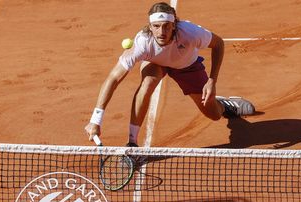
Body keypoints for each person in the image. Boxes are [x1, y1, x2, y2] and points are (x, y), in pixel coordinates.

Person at [85, 2, 255, 146]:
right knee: (147, 84)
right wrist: (96, 119)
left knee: (214, 115)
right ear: (150, 27)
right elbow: (114, 77)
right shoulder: (142, 43)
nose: (161, 32)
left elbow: (218, 44)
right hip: (156, 64)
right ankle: (132, 143)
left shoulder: (190, 33)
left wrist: (212, 81)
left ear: (174, 25)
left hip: (187, 67)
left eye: (166, 26)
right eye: (156, 26)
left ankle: (224, 104)